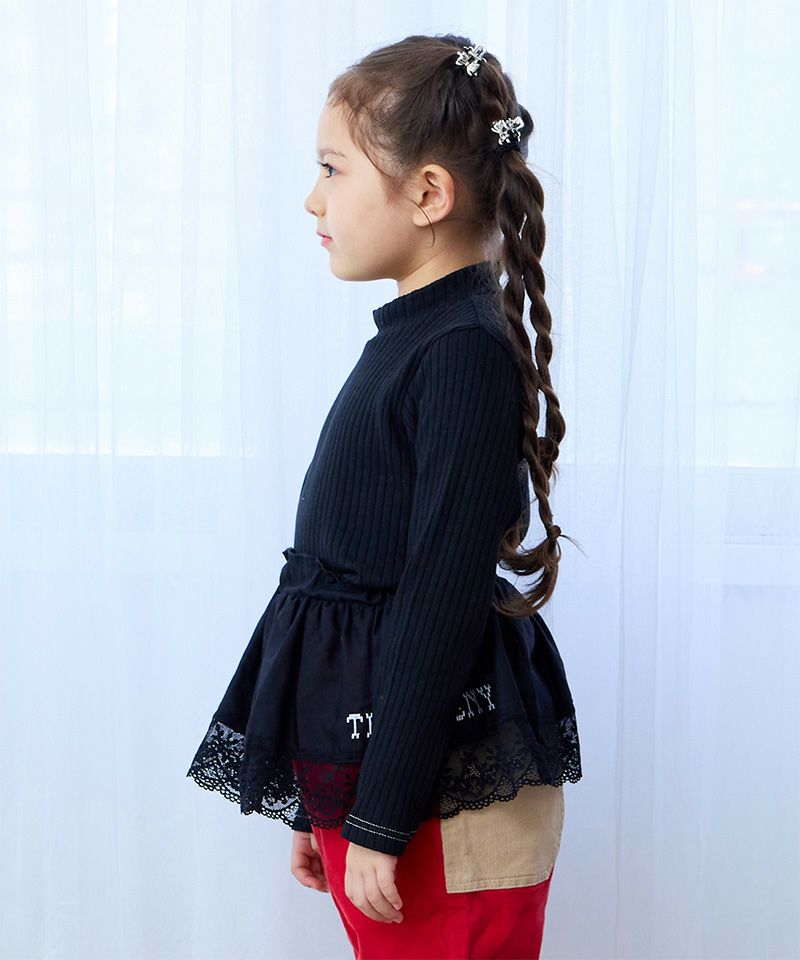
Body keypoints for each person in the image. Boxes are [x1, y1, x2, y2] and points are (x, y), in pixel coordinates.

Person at [186, 33, 583, 960]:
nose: (313, 198)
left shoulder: (462, 353)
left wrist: (379, 812)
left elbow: (439, 603)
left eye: (332, 169)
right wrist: (327, 795)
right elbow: (356, 582)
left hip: (434, 801)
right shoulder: (417, 339)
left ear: (428, 194)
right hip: (386, 785)